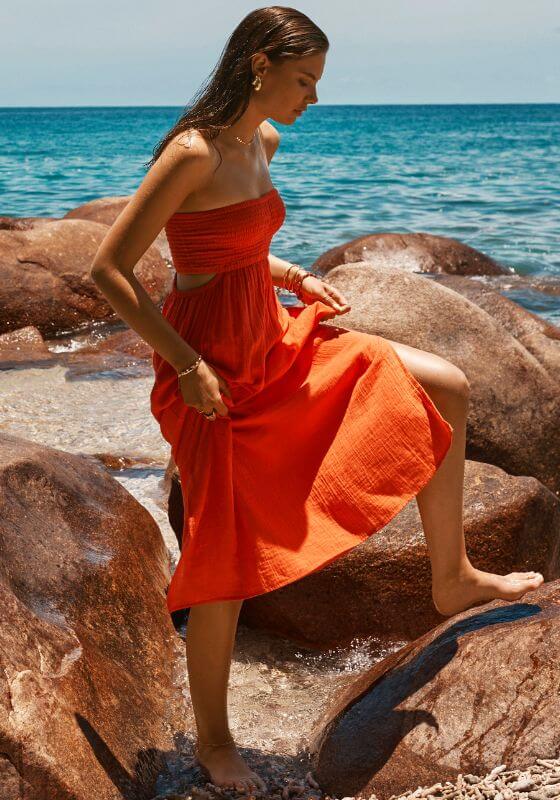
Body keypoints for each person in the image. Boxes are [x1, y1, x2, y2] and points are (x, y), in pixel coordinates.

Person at [90, 7, 544, 794]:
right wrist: (187, 363)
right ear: (261, 64)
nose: (313, 99)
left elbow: (237, 246)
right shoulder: (191, 151)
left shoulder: (261, 142)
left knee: (447, 384)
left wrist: (293, 275)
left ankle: (453, 575)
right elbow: (111, 271)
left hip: (274, 340)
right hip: (212, 373)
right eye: (305, 81)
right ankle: (215, 742)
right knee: (223, 565)